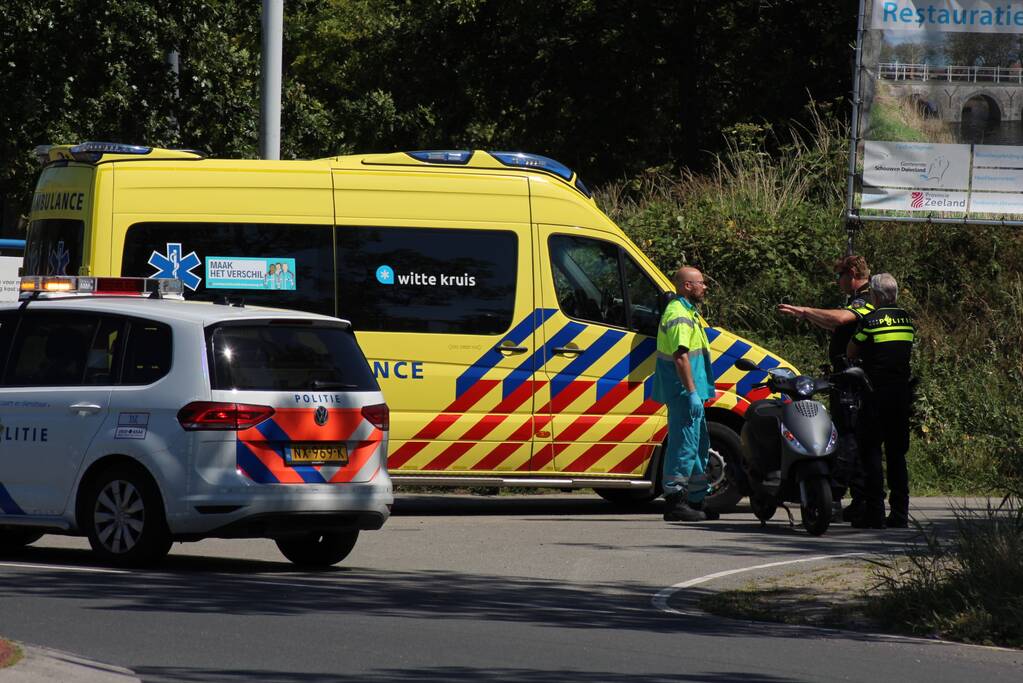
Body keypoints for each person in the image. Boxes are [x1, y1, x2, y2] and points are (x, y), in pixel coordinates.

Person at [776, 254, 874, 521]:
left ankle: (848, 494)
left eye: (839, 276)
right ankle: (857, 496)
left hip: (854, 381)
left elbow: (841, 320)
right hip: (847, 378)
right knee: (848, 433)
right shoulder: (856, 299)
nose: (837, 281)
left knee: (850, 437)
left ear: (852, 273)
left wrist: (806, 311)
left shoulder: (866, 298)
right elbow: (835, 325)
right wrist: (807, 316)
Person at [847, 273, 915, 529]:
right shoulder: (907, 320)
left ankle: (874, 511)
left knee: (871, 451)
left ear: (874, 296)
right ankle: (900, 512)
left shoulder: (870, 320)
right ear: (895, 295)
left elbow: (852, 350)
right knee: (897, 453)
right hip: (900, 395)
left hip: (875, 393)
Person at [652, 266, 717, 522]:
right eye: (700, 282)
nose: (705, 286)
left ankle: (696, 499)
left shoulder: (688, 312)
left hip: (692, 391)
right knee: (683, 446)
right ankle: (675, 501)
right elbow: (680, 357)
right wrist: (691, 392)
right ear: (687, 286)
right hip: (683, 392)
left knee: (699, 447)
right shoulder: (678, 313)